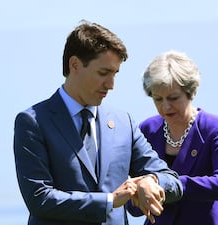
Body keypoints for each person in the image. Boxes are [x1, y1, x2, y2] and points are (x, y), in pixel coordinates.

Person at [13, 20, 183, 225]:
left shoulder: (123, 122)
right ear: (74, 65)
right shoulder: (33, 122)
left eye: (114, 74)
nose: (111, 85)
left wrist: (151, 181)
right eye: (103, 73)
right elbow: (39, 198)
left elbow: (171, 179)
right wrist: (110, 201)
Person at [127, 50, 218, 225]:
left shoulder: (216, 128)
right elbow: (133, 203)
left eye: (173, 98)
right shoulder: (147, 129)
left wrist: (165, 183)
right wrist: (138, 194)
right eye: (157, 99)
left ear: (190, 92)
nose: (165, 106)